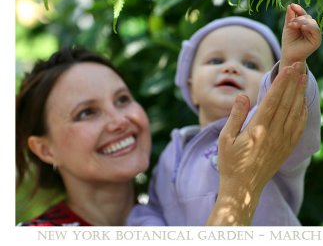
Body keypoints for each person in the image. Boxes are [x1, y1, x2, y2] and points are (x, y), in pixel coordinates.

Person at [16, 46, 308, 226]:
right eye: (87, 113)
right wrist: (241, 188)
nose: (120, 121)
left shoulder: (171, 212)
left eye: (122, 99)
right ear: (45, 149)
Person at [128, 3, 321, 226]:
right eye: (216, 61)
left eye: (250, 64)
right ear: (189, 85)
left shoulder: (265, 132)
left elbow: (290, 112)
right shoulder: (173, 153)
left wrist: (292, 65)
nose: (231, 68)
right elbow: (154, 210)